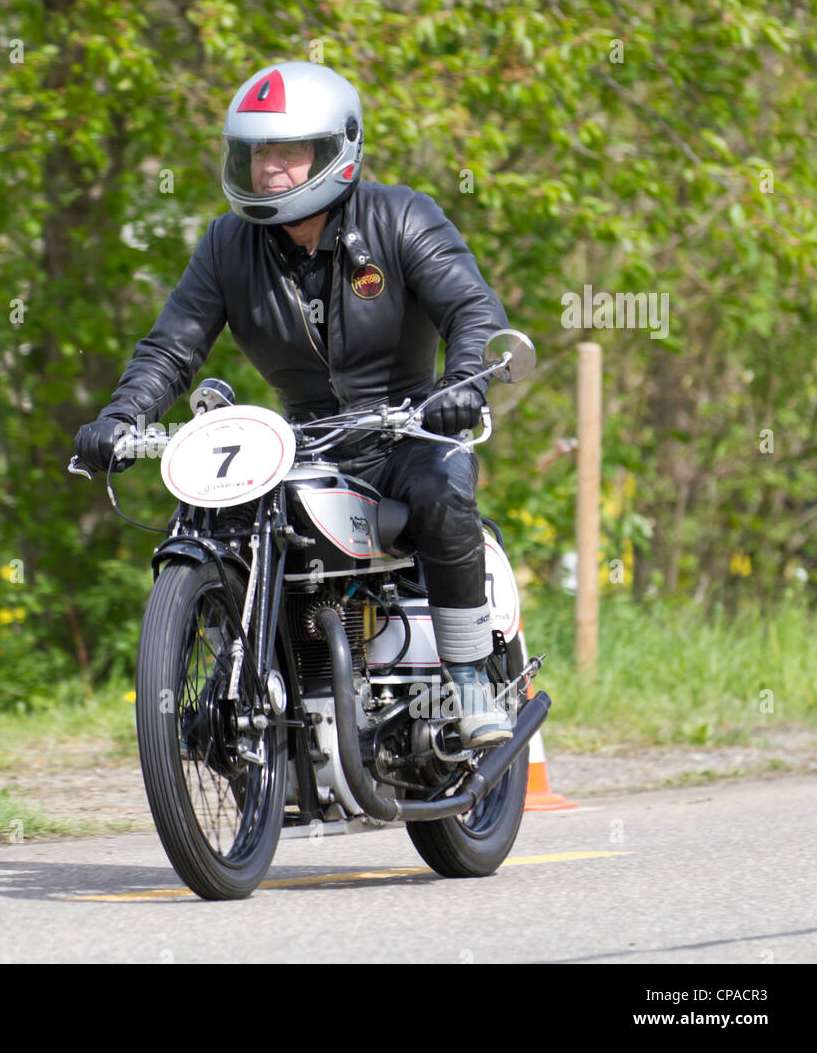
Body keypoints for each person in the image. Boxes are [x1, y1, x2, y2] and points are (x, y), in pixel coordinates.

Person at [73, 61, 512, 747]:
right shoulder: (227, 245)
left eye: (287, 151)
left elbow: (473, 312)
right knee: (217, 519)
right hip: (305, 443)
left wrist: (464, 386)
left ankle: (469, 674)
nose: (269, 168)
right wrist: (122, 419)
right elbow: (172, 348)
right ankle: (255, 685)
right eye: (256, 153)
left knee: (442, 487)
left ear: (337, 149)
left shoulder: (401, 217)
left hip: (407, 433)